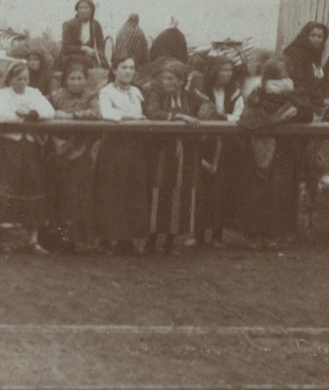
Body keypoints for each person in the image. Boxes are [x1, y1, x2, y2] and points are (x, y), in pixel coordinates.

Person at [0, 61, 57, 254]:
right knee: (5, 188)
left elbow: (50, 112)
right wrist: (21, 116)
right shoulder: (2, 94)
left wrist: (32, 113)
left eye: (25, 78)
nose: (22, 82)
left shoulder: (34, 93)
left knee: (33, 186)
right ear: (10, 79)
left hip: (29, 148)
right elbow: (1, 116)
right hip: (7, 148)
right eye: (18, 78)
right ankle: (4, 238)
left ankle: (33, 239)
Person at [236, 58, 313, 249]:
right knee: (257, 192)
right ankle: (253, 235)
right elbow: (249, 121)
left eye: (286, 76)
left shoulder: (292, 95)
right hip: (258, 149)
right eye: (279, 77)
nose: (284, 80)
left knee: (277, 191)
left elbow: (307, 113)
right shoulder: (258, 94)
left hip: (282, 151)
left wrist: (291, 97)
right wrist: (278, 118)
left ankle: (272, 234)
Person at [143, 59, 205, 254]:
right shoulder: (157, 94)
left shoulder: (190, 97)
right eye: (164, 78)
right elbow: (153, 113)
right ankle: (151, 241)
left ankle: (170, 241)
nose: (166, 82)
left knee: (180, 192)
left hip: (185, 152)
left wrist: (205, 108)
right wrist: (180, 117)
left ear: (181, 81)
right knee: (158, 191)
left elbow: (207, 107)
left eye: (171, 79)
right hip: (162, 151)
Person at [94, 55, 151, 254]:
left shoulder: (136, 92)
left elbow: (144, 115)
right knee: (112, 191)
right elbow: (107, 114)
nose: (128, 71)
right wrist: (132, 117)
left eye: (131, 67)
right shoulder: (106, 91)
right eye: (124, 67)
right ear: (115, 70)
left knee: (132, 190)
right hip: (114, 147)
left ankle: (127, 238)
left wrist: (138, 119)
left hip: (134, 147)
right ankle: (109, 239)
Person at [47, 59, 101, 252]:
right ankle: (56, 238)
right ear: (66, 80)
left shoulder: (91, 95)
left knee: (78, 196)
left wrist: (71, 116)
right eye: (72, 78)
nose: (76, 82)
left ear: (86, 80)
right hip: (58, 150)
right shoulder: (55, 95)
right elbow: (46, 111)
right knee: (59, 194)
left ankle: (75, 238)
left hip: (81, 150)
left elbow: (96, 113)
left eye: (80, 78)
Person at [194, 55, 245, 247]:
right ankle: (198, 235)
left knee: (220, 189)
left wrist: (222, 117)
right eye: (223, 70)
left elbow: (240, 116)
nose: (227, 74)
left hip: (225, 146)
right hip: (205, 144)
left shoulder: (234, 93)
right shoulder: (201, 91)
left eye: (230, 71)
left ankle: (217, 234)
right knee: (201, 188)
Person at [282, 21, 329, 115]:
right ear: (305, 35)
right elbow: (299, 82)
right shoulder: (296, 52)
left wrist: (327, 96)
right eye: (312, 35)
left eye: (319, 37)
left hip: (311, 98)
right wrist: (321, 101)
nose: (316, 39)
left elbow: (319, 79)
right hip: (297, 98)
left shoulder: (315, 53)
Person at [60, 0, 106, 68]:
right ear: (77, 10)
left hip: (91, 59)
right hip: (71, 58)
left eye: (86, 7)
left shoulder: (96, 25)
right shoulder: (69, 24)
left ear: (92, 10)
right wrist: (83, 48)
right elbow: (66, 47)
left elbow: (101, 45)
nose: (83, 10)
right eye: (81, 8)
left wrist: (96, 52)